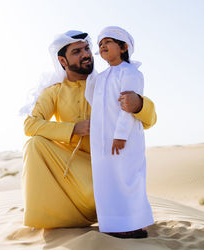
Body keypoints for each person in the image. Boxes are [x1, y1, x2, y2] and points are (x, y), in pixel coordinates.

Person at [20, 30, 157, 231]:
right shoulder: (54, 91)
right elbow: (30, 125)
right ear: (63, 61)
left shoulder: (106, 81)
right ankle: (51, 216)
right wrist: (74, 129)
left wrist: (139, 105)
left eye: (86, 49)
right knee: (35, 144)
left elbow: (148, 121)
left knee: (112, 189)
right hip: (73, 172)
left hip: (107, 169)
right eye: (77, 51)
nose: (86, 54)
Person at [85, 26, 154, 239]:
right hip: (101, 140)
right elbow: (93, 101)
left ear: (123, 47)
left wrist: (121, 135)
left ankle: (137, 225)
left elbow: (127, 108)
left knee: (128, 178)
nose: (102, 46)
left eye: (108, 41)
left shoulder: (131, 72)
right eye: (100, 44)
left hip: (124, 138)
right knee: (107, 181)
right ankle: (115, 225)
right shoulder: (100, 77)